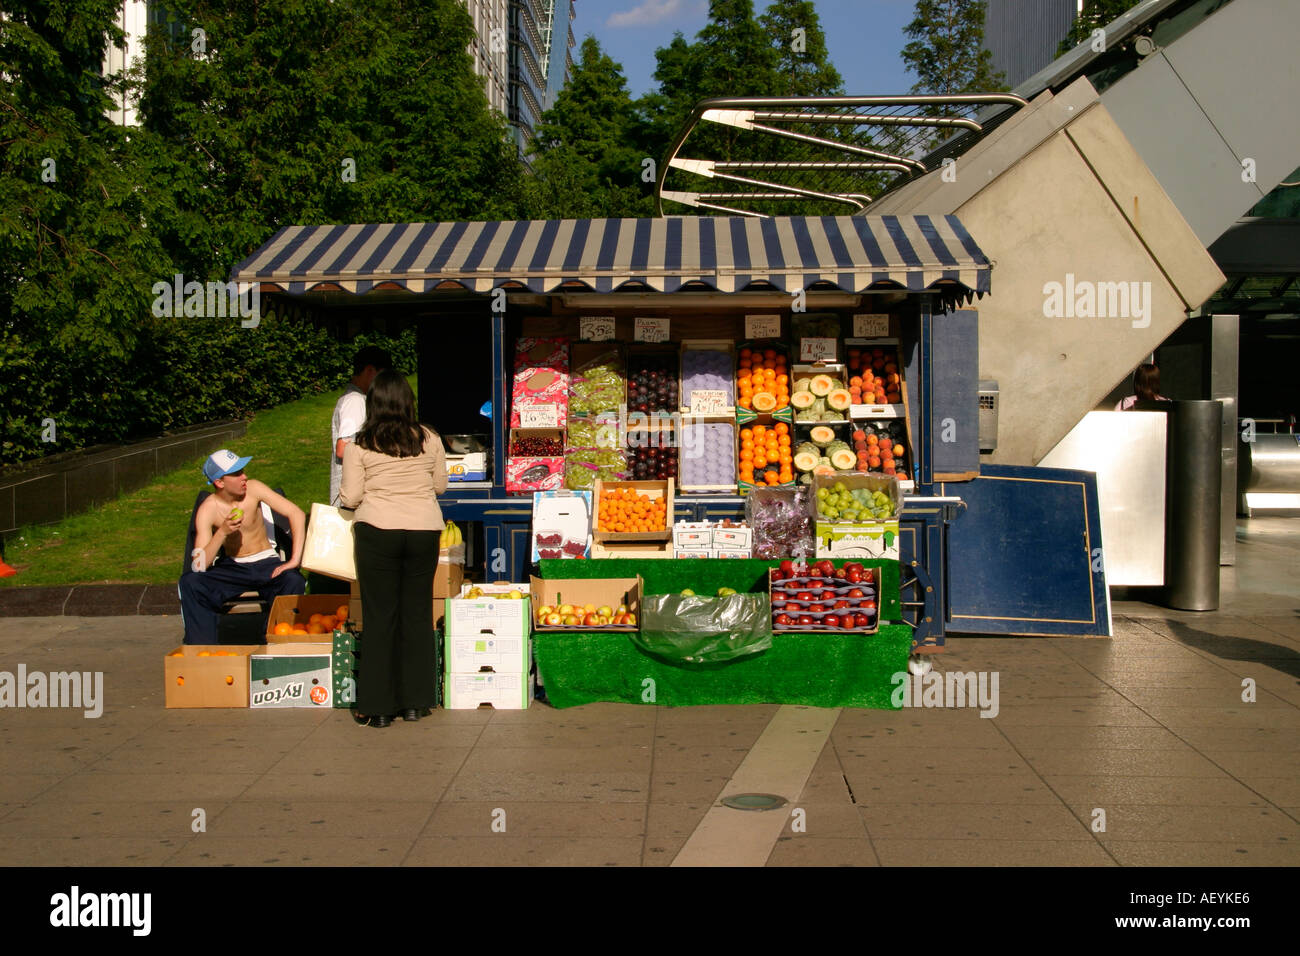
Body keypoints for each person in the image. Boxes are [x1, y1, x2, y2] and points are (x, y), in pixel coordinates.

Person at [339, 371, 448, 728]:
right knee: (416, 614)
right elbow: (440, 486)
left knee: (380, 616)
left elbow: (352, 496)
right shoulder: (428, 438)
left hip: (377, 531)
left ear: (373, 404)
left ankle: (379, 706)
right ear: (408, 402)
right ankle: (416, 701)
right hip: (423, 531)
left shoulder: (359, 444)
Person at [180, 449, 307, 644]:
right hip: (233, 567)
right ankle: (203, 652)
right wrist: (221, 532)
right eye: (237, 473)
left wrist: (294, 560)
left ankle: (275, 642)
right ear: (219, 482)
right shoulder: (208, 508)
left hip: (266, 563)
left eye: (243, 470)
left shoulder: (254, 489)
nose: (244, 477)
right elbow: (198, 566)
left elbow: (296, 513)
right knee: (191, 582)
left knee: (293, 580)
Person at [331, 346, 392, 505]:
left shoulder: (356, 399)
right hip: (351, 499)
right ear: (370, 370)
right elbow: (343, 448)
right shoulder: (355, 401)